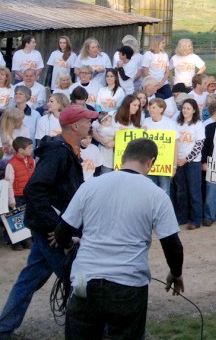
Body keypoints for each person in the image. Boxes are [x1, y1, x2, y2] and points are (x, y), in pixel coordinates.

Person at [55, 137, 184, 339]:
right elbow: (172, 244)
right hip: (128, 283)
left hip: (86, 279)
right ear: (150, 162)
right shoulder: (157, 195)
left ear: (123, 157)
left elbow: (62, 231)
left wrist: (70, 243)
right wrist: (176, 273)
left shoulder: (90, 186)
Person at [0, 104, 96, 337]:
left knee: (30, 278)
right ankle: (94, 328)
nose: (90, 125)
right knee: (76, 278)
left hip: (48, 226)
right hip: (51, 230)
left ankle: (4, 327)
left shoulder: (66, 149)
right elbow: (35, 189)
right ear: (75, 125)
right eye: (87, 121)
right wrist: (57, 227)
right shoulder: (58, 152)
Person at [175, 99, 205, 230]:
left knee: (194, 191)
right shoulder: (176, 123)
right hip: (178, 160)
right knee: (181, 191)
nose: (185, 110)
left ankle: (196, 219)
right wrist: (176, 159)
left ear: (194, 110)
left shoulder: (198, 124)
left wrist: (186, 159)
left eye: (188, 108)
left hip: (192, 162)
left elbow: (199, 145)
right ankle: (182, 217)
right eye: (184, 108)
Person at [4, 136, 35, 251]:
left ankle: (27, 240)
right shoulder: (11, 164)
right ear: (21, 150)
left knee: (27, 218)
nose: (32, 149)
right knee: (16, 219)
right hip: (17, 196)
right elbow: (9, 184)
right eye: (29, 147)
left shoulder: (31, 161)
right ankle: (15, 242)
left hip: (28, 195)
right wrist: (11, 200)